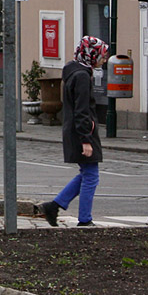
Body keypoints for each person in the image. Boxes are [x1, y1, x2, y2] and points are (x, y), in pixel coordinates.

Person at [37, 36, 108, 227]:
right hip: (81, 133)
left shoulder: (73, 71)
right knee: (91, 175)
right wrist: (86, 139)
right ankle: (84, 219)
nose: (105, 59)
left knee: (87, 173)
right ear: (92, 55)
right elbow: (82, 110)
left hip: (73, 130)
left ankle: (54, 205)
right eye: (102, 54)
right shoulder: (83, 76)